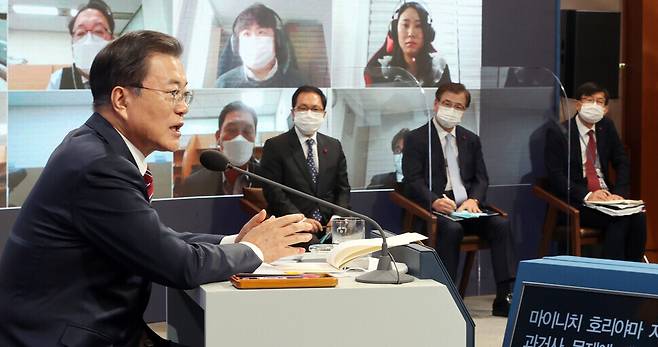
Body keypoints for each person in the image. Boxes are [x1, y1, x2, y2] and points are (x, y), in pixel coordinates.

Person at [0, 31, 314, 346]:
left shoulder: (97, 148)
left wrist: (234, 240)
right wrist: (256, 250)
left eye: (185, 95)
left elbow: (153, 239)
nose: (183, 108)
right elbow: (178, 265)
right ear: (121, 99)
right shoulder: (99, 164)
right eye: (172, 93)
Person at [403, 82, 516, 317]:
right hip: (435, 208)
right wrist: (433, 201)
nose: (452, 110)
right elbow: (412, 181)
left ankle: (505, 296)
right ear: (436, 104)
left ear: (464, 111)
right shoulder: (417, 138)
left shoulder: (470, 139)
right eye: (447, 104)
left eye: (458, 106)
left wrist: (474, 199)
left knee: (501, 225)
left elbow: (481, 178)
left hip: (467, 206)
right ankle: (448, 294)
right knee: (451, 229)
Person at [545, 82, 646, 261]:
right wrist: (587, 195)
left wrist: (619, 194)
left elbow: (622, 161)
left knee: (638, 217)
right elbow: (556, 175)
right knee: (619, 220)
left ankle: (633, 273)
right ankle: (609, 277)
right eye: (589, 100)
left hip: (607, 198)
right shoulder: (560, 132)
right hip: (577, 201)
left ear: (606, 108)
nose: (594, 106)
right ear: (578, 105)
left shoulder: (606, 127)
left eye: (599, 102)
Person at [260, 85, 351, 239]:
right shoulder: (275, 146)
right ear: (293, 112)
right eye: (303, 108)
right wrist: (300, 219)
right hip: (292, 227)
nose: (309, 113)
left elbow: (343, 188)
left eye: (315, 109)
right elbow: (273, 192)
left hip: (330, 227)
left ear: (324, 114)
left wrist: (337, 218)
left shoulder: (334, 146)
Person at [176, 101, 259, 197]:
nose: (239, 139)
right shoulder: (194, 184)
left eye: (247, 131)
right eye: (231, 130)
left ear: (255, 137)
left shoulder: (272, 180)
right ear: (218, 136)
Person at [215, 3, 308, 88]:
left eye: (261, 32)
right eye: (246, 34)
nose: (254, 39)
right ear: (237, 44)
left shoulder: (298, 82)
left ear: (276, 40)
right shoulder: (223, 83)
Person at [364, 1, 450, 88]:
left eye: (418, 26)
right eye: (405, 25)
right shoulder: (380, 71)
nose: (411, 33)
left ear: (427, 33)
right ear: (394, 30)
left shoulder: (439, 69)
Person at [47, 0, 114, 90]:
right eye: (81, 33)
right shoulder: (58, 80)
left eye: (98, 31)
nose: (89, 41)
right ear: (72, 44)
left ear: (112, 40)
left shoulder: (129, 79)